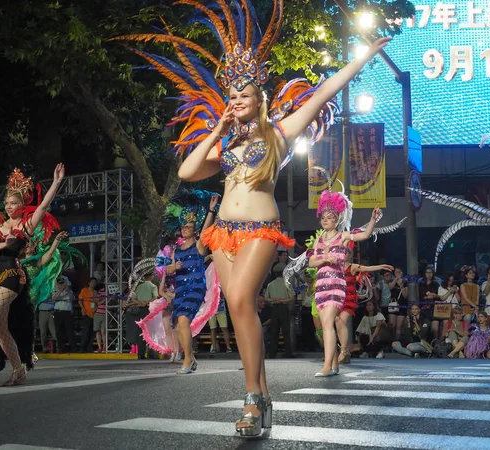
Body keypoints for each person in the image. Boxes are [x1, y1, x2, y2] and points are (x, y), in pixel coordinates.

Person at [127, 0, 390, 435]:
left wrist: (362, 58)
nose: (237, 101)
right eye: (231, 96)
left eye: (244, 95)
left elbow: (324, 91)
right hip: (222, 234)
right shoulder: (227, 147)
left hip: (259, 231)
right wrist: (216, 128)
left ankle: (252, 399)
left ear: (260, 98)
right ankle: (262, 398)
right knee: (236, 309)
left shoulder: (281, 133)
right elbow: (186, 171)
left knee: (245, 302)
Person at [0, 164, 63, 387]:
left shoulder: (26, 225)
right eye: (7, 203)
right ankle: (19, 369)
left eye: (15, 203)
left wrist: (56, 182)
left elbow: (45, 205)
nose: (10, 207)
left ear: (23, 203)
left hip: (13, 275)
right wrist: (5, 242)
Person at [307, 187, 380, 377]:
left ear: (337, 218)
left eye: (329, 217)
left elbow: (364, 236)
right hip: (321, 285)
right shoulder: (319, 239)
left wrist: (372, 219)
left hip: (336, 285)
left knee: (328, 321)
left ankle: (326, 366)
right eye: (323, 216)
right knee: (325, 325)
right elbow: (312, 261)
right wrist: (325, 259)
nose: (325, 219)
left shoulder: (344, 236)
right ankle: (333, 366)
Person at [166, 194, 218, 374]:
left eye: (188, 227)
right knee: (179, 325)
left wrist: (211, 210)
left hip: (195, 287)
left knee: (183, 320)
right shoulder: (176, 250)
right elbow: (167, 270)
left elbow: (207, 228)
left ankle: (187, 361)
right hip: (180, 289)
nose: (185, 229)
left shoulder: (199, 245)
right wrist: (173, 267)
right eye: (183, 227)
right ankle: (191, 358)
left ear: (194, 230)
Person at [336, 254, 393, 363]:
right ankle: (343, 349)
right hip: (337, 298)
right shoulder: (334, 267)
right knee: (336, 323)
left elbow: (367, 268)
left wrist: (381, 266)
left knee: (340, 321)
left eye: (345, 253)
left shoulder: (352, 267)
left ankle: (344, 350)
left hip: (349, 299)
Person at [264, 262, 295, 359]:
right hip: (284, 308)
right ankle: (288, 353)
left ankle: (272, 353)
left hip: (274, 309)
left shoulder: (270, 284)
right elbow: (292, 297)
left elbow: (266, 298)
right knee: (286, 331)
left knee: (274, 331)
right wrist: (282, 300)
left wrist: (274, 300)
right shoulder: (287, 284)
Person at [126, 272, 158, 359]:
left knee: (141, 332)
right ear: (151, 277)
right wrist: (146, 302)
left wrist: (140, 303)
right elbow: (155, 297)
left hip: (139, 310)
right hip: (149, 310)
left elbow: (133, 298)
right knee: (151, 331)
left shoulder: (139, 286)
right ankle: (151, 353)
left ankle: (141, 354)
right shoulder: (153, 286)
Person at [52, 275, 77, 353]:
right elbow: (54, 298)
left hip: (67, 313)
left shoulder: (69, 291)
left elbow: (72, 298)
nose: (61, 285)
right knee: (59, 331)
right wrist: (60, 291)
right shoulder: (55, 291)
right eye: (60, 284)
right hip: (58, 313)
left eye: (63, 283)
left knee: (69, 331)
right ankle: (60, 348)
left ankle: (73, 348)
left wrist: (67, 290)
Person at [388, 268, 409, 340]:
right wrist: (396, 279)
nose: (398, 273)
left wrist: (402, 286)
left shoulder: (405, 282)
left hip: (402, 305)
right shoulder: (391, 280)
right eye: (396, 272)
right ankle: (391, 341)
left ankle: (396, 342)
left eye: (399, 272)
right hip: (393, 304)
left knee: (398, 326)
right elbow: (390, 287)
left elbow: (405, 295)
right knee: (392, 326)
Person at [78, 277, 98, 353]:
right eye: (92, 282)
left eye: (94, 282)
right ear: (89, 283)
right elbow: (80, 300)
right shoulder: (84, 290)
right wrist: (83, 308)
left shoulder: (95, 292)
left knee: (92, 332)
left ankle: (89, 347)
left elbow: (96, 302)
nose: (93, 283)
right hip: (87, 313)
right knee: (85, 332)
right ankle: (82, 347)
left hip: (94, 314)